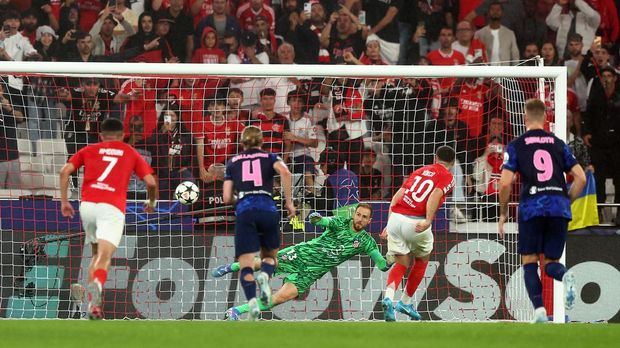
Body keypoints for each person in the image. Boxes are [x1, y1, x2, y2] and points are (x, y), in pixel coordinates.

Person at [212, 203, 392, 320]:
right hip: (302, 254)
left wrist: (392, 253)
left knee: (280, 298)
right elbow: (324, 221)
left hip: (311, 272)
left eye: (364, 217)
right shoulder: (341, 222)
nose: (360, 219)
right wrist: (317, 218)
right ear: (354, 214)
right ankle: (232, 266)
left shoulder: (367, 242)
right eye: (358, 214)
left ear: (370, 221)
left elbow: (383, 265)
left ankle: (236, 311)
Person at [59, 118, 158, 320]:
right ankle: (95, 291)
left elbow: (64, 171)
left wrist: (64, 201)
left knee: (95, 255)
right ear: (123, 135)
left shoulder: (89, 149)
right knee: (104, 257)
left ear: (101, 136)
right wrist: (151, 202)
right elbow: (151, 182)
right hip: (111, 208)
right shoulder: (129, 151)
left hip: (87, 207)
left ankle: (91, 305)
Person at [498, 99, 586, 323]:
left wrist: (503, 213)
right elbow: (581, 178)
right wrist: (565, 200)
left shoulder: (517, 144)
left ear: (525, 118)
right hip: (558, 206)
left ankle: (538, 311)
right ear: (546, 117)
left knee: (529, 260)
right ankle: (566, 275)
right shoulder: (558, 143)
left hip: (532, 206)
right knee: (551, 264)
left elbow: (505, 183)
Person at [222, 126, 296, 321]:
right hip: (267, 207)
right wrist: (289, 202)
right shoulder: (271, 157)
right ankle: (264, 275)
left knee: (245, 263)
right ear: (261, 141)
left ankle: (252, 302)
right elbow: (286, 173)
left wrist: (238, 198)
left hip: (245, 210)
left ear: (242, 142)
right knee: (270, 258)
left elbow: (226, 197)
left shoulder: (232, 162)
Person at [380, 145, 456, 322]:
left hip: (396, 218)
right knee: (422, 259)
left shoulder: (420, 170)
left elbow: (397, 196)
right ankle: (405, 302)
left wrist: (388, 224)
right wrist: (428, 220)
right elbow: (435, 195)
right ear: (451, 163)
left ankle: (388, 297)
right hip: (415, 221)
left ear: (435, 158)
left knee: (401, 260)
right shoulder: (448, 176)